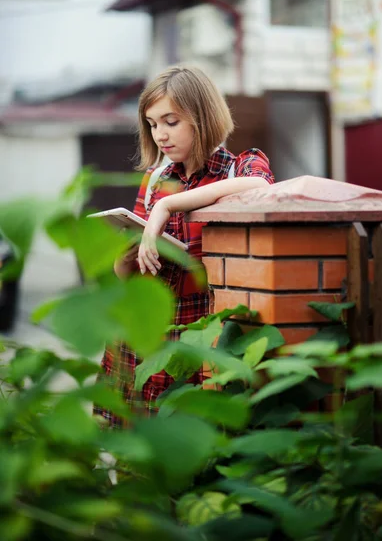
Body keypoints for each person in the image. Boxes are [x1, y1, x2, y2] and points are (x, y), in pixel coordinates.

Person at [94, 65, 274, 427]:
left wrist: (169, 205)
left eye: (170, 121)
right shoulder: (156, 178)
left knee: (188, 446)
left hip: (198, 332)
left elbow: (261, 186)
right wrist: (124, 263)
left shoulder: (238, 168)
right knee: (133, 456)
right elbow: (131, 276)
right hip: (143, 331)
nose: (160, 134)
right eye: (152, 124)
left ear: (202, 116)